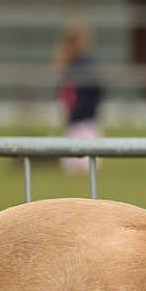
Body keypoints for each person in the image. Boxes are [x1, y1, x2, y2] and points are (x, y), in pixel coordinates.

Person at [54, 16, 104, 175]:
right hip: (73, 123)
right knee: (72, 165)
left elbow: (98, 90)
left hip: (86, 122)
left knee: (85, 164)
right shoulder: (66, 65)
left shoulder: (86, 65)